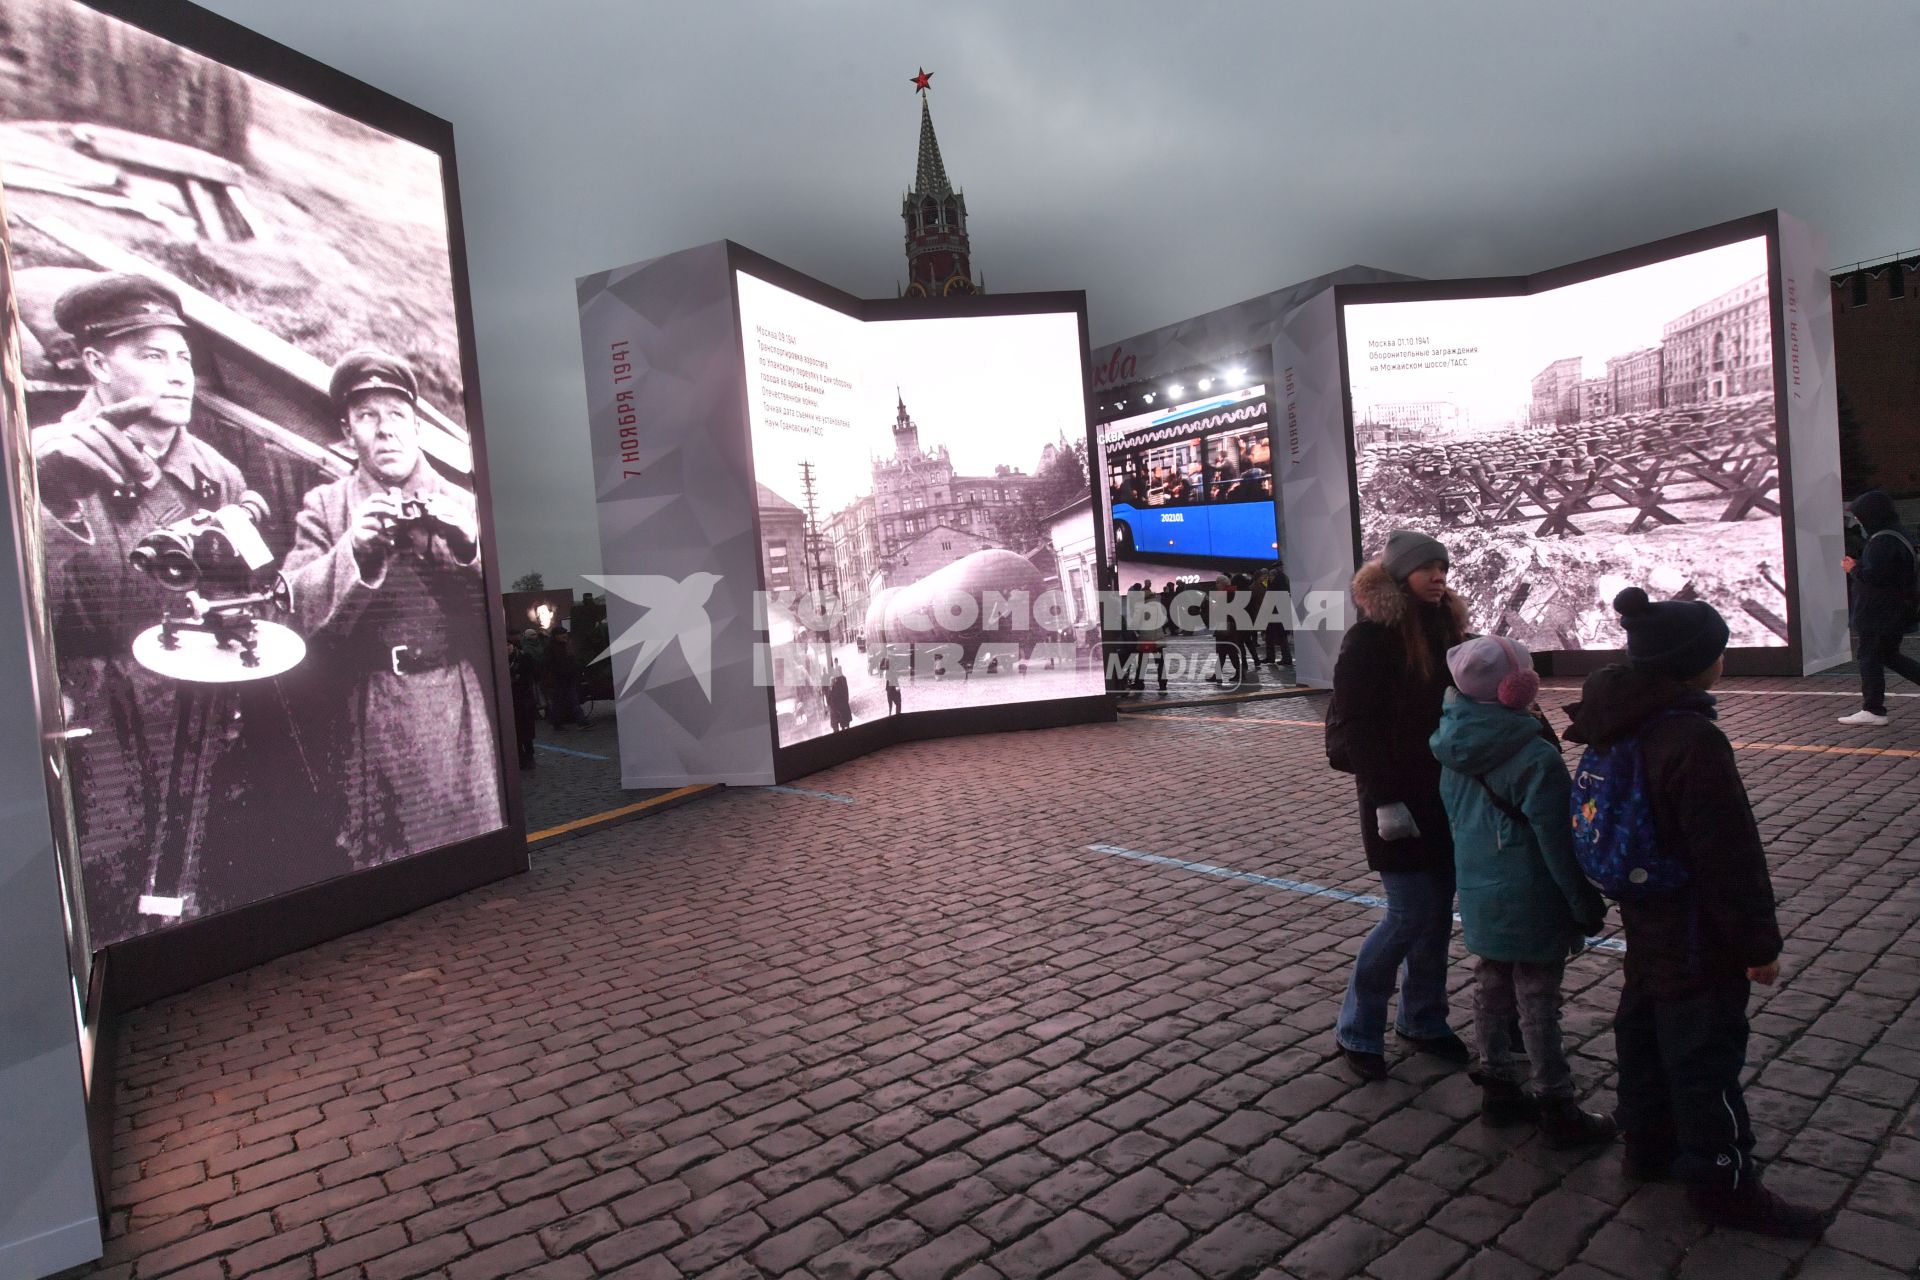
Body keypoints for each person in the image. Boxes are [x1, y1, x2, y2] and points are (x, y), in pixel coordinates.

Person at [1564, 589, 1829, 1239]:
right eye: (1718, 650)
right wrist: (1758, 943)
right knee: (1704, 1051)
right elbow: (1729, 857)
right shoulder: (1692, 739)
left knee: (1646, 1028)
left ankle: (1646, 1148)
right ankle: (1722, 1181)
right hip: (1695, 926)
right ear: (1695, 664)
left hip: (1643, 910)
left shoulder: (1616, 718)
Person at [34, 273, 251, 942]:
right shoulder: (37, 458)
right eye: (151, 355)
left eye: (182, 356)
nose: (177, 373)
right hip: (90, 710)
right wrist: (53, 500)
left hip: (192, 709)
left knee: (199, 873)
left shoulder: (217, 473)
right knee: (104, 878)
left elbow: (234, 602)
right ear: (96, 363)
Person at [282, 349, 503, 868]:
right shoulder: (326, 506)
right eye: (367, 417)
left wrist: (473, 545)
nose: (386, 431)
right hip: (369, 703)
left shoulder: (463, 501)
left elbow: (513, 613)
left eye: (398, 415)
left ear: (418, 427)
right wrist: (353, 550)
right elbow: (290, 609)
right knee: (384, 852)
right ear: (347, 431)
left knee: (466, 842)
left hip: (454, 703)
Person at [1430, 636, 1614, 1146]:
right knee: (1537, 1002)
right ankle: (1556, 1102)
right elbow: (1555, 844)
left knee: (1490, 988)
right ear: (1520, 688)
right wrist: (1583, 903)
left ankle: (1498, 1091)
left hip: (1479, 889)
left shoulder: (1450, 742)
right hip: (1531, 896)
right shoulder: (1536, 756)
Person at [1325, 529, 1470, 1080]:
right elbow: (1358, 729)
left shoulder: (1447, 627)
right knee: (1411, 914)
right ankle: (1357, 1028)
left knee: (1435, 918)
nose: (1439, 577)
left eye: (1443, 568)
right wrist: (1384, 800)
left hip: (1446, 794)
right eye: (1428, 568)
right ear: (1400, 573)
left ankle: (1423, 1018)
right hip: (1395, 797)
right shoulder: (1370, 640)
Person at [1838, 489, 1919, 726]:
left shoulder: (1882, 540)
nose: (1859, 522)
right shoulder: (1899, 535)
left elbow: (1874, 576)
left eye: (1861, 517)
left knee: (1870, 657)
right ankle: (1873, 708)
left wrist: (1852, 568)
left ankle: (1873, 709)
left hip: (1878, 613)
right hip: (1895, 611)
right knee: (1889, 655)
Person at [828, 661, 852, 731]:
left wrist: (846, 699)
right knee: (842, 719)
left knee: (845, 719)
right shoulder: (836, 680)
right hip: (839, 703)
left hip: (842, 701)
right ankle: (843, 726)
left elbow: (845, 690)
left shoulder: (842, 679)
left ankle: (845, 726)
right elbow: (832, 694)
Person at [882, 650, 903, 715]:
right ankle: (897, 717)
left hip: (888, 686)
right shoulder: (891, 660)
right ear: (890, 652)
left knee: (890, 703)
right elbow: (893, 674)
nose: (893, 652)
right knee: (898, 703)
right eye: (892, 651)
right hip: (893, 686)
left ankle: (890, 714)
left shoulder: (886, 659)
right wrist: (897, 685)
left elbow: (886, 673)